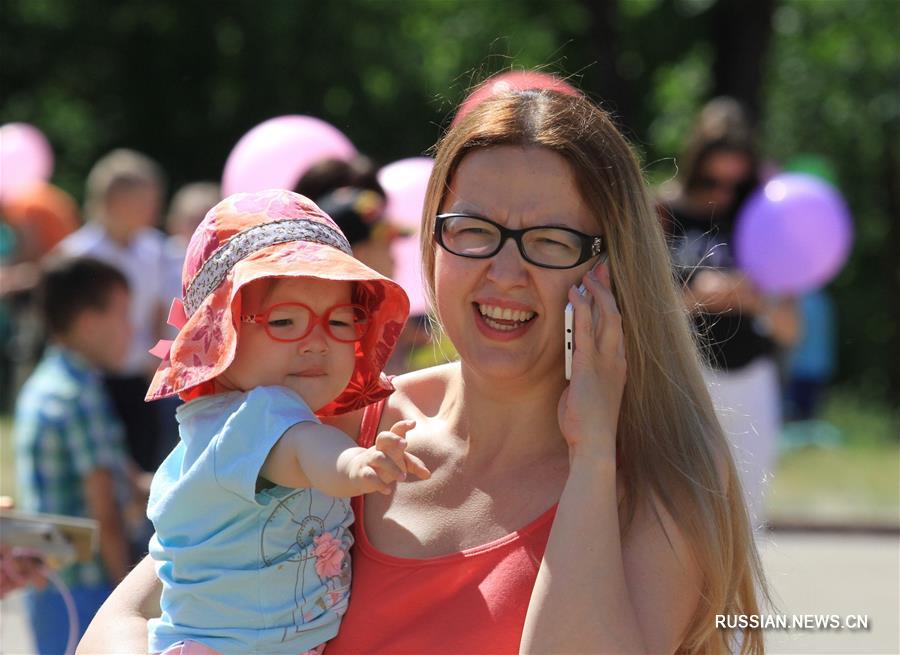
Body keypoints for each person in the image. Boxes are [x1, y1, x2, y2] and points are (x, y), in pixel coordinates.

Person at [80, 87, 767, 654]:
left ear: (610, 270)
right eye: (473, 229)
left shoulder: (659, 480)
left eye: (551, 241)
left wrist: (592, 455)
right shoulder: (343, 419)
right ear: (433, 241)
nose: (505, 271)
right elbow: (124, 618)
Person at [140, 189, 428, 654]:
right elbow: (306, 452)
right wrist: (358, 463)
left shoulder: (225, 420)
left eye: (340, 321)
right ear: (221, 336)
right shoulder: (261, 414)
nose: (316, 342)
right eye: (286, 321)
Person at [659, 97, 799, 530]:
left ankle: (737, 601)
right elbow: (641, 307)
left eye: (734, 185)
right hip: (685, 375)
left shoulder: (764, 218)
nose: (723, 193)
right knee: (685, 510)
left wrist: (756, 300)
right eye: (711, 181)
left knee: (747, 511)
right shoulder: (663, 213)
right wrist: (699, 296)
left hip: (751, 375)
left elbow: (793, 330)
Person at [15, 257, 139, 654]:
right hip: (90, 589)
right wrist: (129, 600)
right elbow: (105, 512)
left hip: (51, 587)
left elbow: (123, 478)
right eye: (123, 316)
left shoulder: (47, 383)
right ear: (88, 323)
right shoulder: (80, 397)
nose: (131, 329)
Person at [55, 149, 171, 473]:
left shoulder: (154, 249)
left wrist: (159, 364)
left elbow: (158, 314)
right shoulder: (77, 254)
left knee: (144, 467)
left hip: (139, 381)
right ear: (116, 200)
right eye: (145, 200)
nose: (153, 209)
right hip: (91, 382)